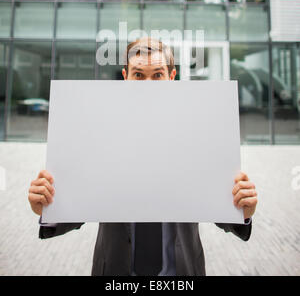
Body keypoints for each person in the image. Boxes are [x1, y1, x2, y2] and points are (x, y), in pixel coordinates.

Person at [28, 37, 258, 276]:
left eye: (157, 75)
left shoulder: (195, 132)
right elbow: (82, 198)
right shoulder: (103, 132)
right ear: (126, 77)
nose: (148, 84)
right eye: (139, 75)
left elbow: (216, 200)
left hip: (182, 273)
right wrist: (48, 205)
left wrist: (242, 210)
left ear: (172, 77)